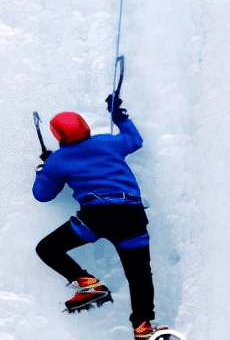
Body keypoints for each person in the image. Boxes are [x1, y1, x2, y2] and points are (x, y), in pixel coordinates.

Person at [32, 95, 166, 340]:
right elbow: (135, 140)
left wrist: (44, 169)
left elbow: (43, 195)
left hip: (96, 218)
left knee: (48, 249)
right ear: (86, 127)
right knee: (139, 275)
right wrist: (119, 116)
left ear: (58, 136)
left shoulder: (58, 161)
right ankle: (143, 327)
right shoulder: (109, 143)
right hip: (130, 215)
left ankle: (88, 284)